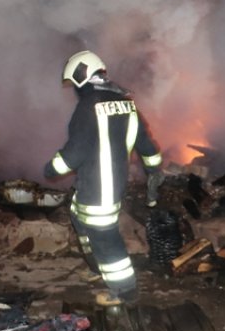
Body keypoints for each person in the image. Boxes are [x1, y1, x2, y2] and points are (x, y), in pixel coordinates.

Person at [44, 50, 164, 307]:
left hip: (98, 188)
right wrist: (154, 170)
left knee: (105, 237)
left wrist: (52, 168)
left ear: (81, 78)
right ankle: (96, 266)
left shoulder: (88, 107)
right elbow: (147, 146)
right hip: (112, 184)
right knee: (77, 215)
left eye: (74, 83)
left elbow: (74, 153)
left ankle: (125, 290)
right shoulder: (127, 104)